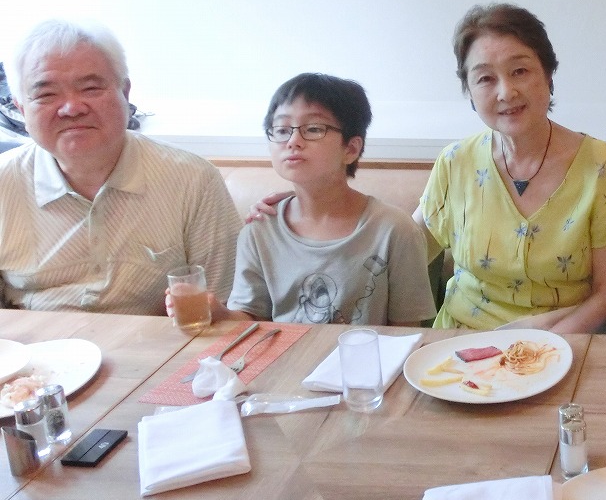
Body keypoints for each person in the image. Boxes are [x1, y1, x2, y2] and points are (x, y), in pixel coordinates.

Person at [418, 3, 606, 332]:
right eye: (485, 78)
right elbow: (403, 253)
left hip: (562, 341)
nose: (506, 92)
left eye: (520, 71)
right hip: (460, 342)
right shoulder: (454, 163)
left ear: (548, 75)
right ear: (469, 91)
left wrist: (534, 351)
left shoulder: (604, 168)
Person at [0, 19, 241, 314]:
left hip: (159, 344)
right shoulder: (4, 181)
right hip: (32, 343)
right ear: (21, 108)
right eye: (46, 94)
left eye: (90, 88)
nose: (71, 108)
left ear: (125, 93)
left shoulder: (193, 181)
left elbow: (224, 310)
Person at [181, 74, 435, 326]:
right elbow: (252, 319)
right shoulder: (260, 228)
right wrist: (217, 312)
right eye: (282, 130)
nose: (293, 141)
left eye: (313, 129)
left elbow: (406, 332)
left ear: (351, 149)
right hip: (286, 353)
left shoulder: (394, 230)